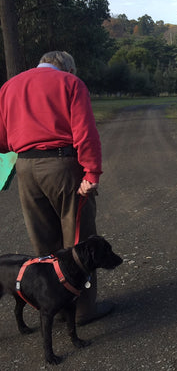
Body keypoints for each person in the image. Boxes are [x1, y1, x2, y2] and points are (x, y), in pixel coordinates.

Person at [0, 51, 113, 325]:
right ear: (68, 67)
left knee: (44, 243)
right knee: (79, 238)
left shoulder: (8, 87)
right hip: (62, 165)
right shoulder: (70, 83)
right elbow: (85, 132)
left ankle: (56, 309)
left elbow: (3, 141)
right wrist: (91, 172)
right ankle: (83, 310)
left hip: (26, 168)